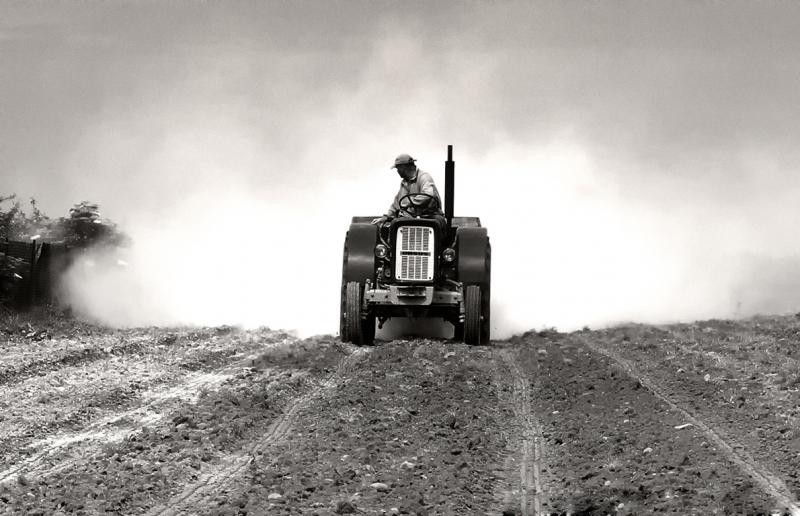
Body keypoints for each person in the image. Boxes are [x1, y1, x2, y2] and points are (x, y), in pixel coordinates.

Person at [371, 154, 444, 225]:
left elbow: (428, 194)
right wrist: (386, 217)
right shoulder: (404, 183)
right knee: (395, 224)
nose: (397, 171)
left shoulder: (424, 177)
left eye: (398, 168)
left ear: (404, 167)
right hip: (412, 217)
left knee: (438, 222)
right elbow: (397, 203)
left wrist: (410, 201)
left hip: (430, 216)